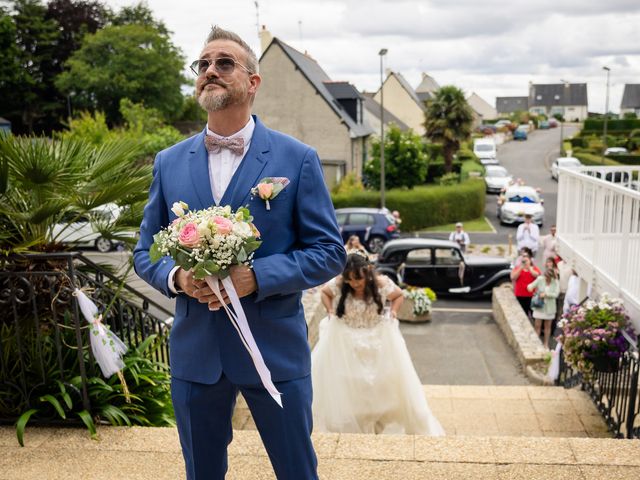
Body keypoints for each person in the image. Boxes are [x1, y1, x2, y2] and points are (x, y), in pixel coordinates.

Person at [133, 26, 346, 480]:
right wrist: (178, 278)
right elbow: (145, 250)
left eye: (224, 63)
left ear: (253, 82)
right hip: (197, 352)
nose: (210, 70)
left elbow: (329, 252)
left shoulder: (297, 159)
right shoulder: (168, 161)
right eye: (203, 64)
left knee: (296, 470)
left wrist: (257, 276)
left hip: (274, 351)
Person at [312, 253, 445, 436]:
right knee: (351, 379)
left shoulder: (381, 283)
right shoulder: (339, 282)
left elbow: (399, 296)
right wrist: (331, 310)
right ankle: (357, 416)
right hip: (347, 337)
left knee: (380, 379)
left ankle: (377, 417)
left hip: (377, 337)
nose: (355, 284)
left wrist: (394, 312)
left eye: (358, 279)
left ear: (367, 272)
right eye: (350, 280)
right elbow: (325, 293)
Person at [527, 258, 560, 349]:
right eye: (546, 277)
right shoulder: (540, 279)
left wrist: (546, 294)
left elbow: (556, 294)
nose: (546, 279)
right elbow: (530, 286)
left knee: (547, 327)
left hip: (549, 308)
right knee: (537, 326)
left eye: (548, 278)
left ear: (552, 277)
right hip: (539, 307)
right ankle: (536, 344)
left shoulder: (555, 282)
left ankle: (546, 343)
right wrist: (532, 289)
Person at [510, 250, 540, 319]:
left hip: (531, 296)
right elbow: (513, 277)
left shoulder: (534, 268)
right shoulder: (517, 268)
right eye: (523, 260)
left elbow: (537, 275)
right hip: (520, 295)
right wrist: (521, 268)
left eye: (527, 260)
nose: (525, 262)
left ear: (530, 260)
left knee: (534, 315)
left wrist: (529, 268)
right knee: (522, 316)